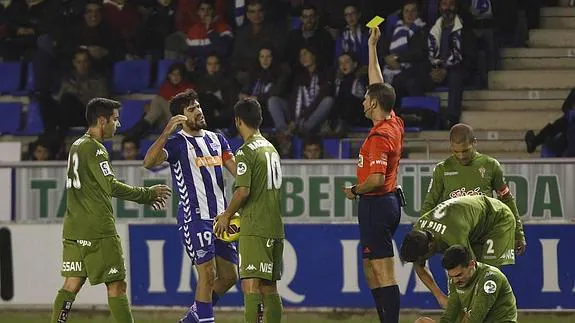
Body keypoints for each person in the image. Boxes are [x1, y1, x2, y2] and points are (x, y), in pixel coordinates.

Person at [50, 98, 171, 323]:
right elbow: (111, 186)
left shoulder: (77, 145)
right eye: (115, 119)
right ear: (102, 120)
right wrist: (147, 194)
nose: (118, 124)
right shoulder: (95, 149)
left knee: (71, 283)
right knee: (117, 285)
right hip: (98, 229)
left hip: (74, 227)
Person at [142, 89, 239, 323]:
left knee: (229, 277)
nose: (198, 111)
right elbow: (148, 162)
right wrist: (166, 131)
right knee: (207, 274)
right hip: (194, 218)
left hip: (222, 219)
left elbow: (236, 169)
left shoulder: (217, 139)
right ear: (180, 117)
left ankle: (193, 317)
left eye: (198, 106)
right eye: (191, 109)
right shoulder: (176, 143)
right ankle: (204, 320)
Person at [342, 26, 404, 323]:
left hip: (377, 203)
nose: (363, 101)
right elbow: (377, 82)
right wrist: (372, 47)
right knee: (370, 269)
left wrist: (355, 191)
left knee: (382, 270)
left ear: (375, 104)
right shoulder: (392, 120)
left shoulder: (381, 136)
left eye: (366, 98)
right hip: (382, 204)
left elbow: (377, 179)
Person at [214, 98, 284, 323]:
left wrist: (226, 215)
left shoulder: (245, 151)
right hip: (275, 227)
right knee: (269, 287)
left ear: (237, 121)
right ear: (260, 119)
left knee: (251, 285)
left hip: (255, 227)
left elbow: (243, 191)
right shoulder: (270, 148)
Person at [421, 123, 526, 261]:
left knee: (487, 279)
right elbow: (430, 203)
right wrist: (422, 234)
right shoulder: (442, 169)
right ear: (450, 146)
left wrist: (518, 233)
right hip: (456, 238)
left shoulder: (491, 166)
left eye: (465, 151)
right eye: (456, 151)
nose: (461, 156)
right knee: (459, 279)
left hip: (486, 237)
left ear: (474, 142)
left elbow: (506, 199)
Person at [400, 195, 521, 308]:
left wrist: (459, 306)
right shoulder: (418, 231)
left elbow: (471, 270)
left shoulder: (453, 236)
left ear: (431, 245)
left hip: (497, 219)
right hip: (474, 227)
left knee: (487, 278)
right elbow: (419, 264)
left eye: (422, 258)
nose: (420, 262)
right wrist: (440, 298)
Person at [414, 245, 517, 323]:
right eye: (451, 276)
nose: (455, 281)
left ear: (471, 264)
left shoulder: (491, 278)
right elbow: (451, 312)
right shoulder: (454, 279)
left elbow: (476, 318)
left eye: (459, 275)